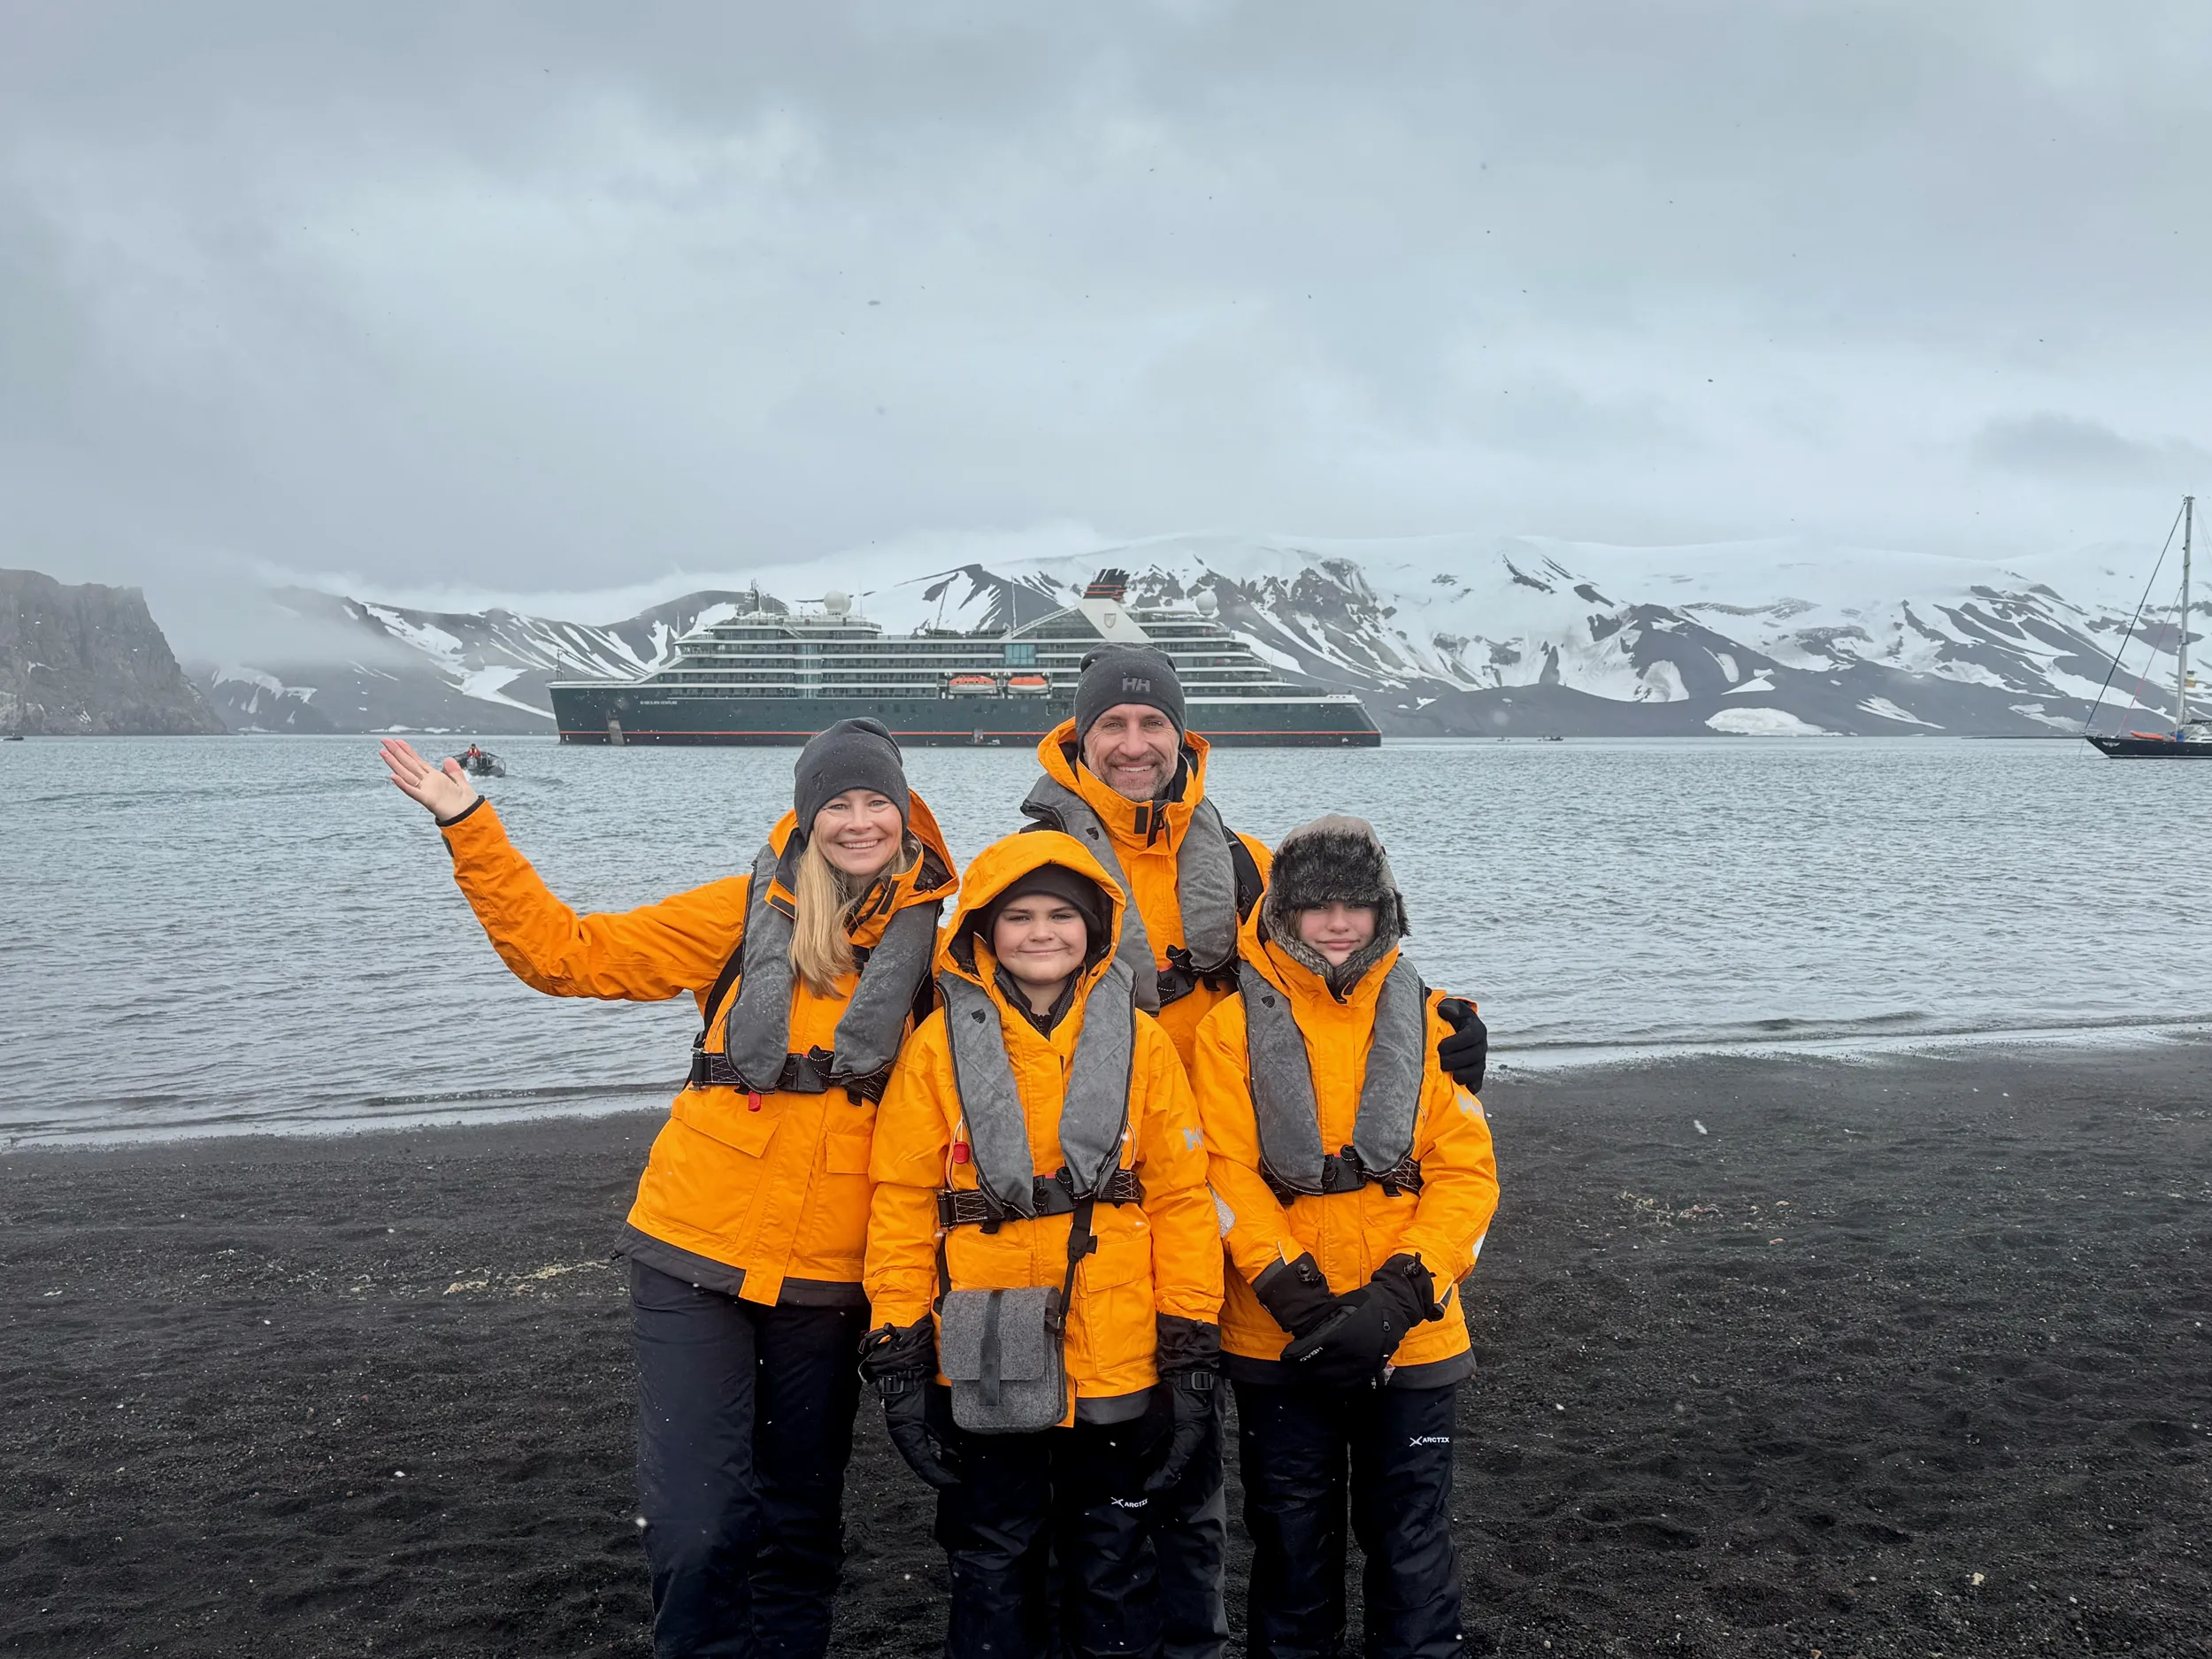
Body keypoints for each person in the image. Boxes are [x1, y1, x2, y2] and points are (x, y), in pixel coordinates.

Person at [379, 719, 958, 1659]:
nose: (859, 822)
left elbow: (1050, 994)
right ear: (806, 819)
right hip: (693, 1253)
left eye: (876, 803)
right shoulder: (739, 912)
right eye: (836, 805)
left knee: (799, 1531)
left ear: (905, 813)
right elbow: (564, 954)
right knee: (698, 1530)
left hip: (831, 1274)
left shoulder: (948, 942)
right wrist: (470, 823)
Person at [1016, 644, 1491, 1659]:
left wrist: (1452, 1016)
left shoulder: (1247, 864)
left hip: (1213, 1208)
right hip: (1100, 1194)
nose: (1134, 744)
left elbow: (1354, 974)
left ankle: (1188, 1642)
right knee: (1091, 1451)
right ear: (1080, 736)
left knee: (1194, 1462)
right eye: (1115, 726)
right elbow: (980, 985)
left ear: (1182, 738)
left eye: (1153, 726)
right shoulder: (1032, 865)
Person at [860, 831, 1224, 1659]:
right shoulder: (934, 1047)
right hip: (987, 1351)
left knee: (1115, 1558)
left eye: (1063, 913)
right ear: (983, 931)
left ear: (1097, 927)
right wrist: (902, 1346)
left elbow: (1180, 1196)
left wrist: (1191, 1339)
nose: (1041, 932)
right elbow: (903, 1202)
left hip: (1121, 1346)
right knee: (992, 1556)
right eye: (1018, 915)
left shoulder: (1146, 1043)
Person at [1194, 814, 1501, 1659]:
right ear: (1282, 912)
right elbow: (1222, 1171)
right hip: (1277, 1336)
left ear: (1385, 910)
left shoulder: (1431, 1021)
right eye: (1316, 904)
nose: (1337, 922)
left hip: (1415, 1332)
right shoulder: (1228, 1031)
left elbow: (1466, 1175)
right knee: (1292, 1547)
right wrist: (1294, 1297)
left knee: (1412, 1540)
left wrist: (1402, 1294)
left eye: (1357, 904)